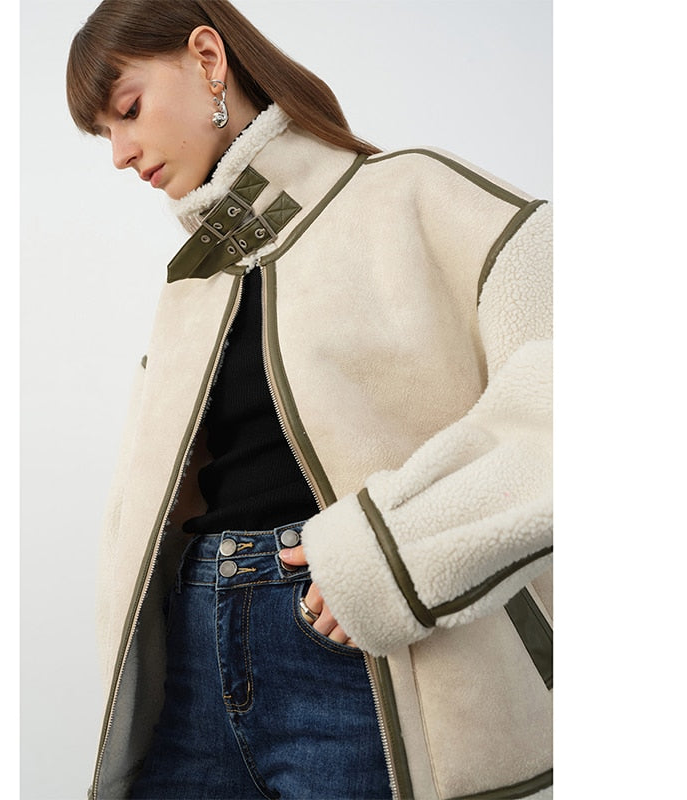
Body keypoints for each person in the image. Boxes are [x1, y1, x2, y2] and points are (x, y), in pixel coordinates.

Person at [66, 1, 553, 798]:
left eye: (128, 110)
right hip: (192, 667)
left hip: (360, 657)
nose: (120, 154)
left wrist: (391, 556)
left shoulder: (414, 195)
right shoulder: (193, 281)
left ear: (208, 59)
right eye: (103, 136)